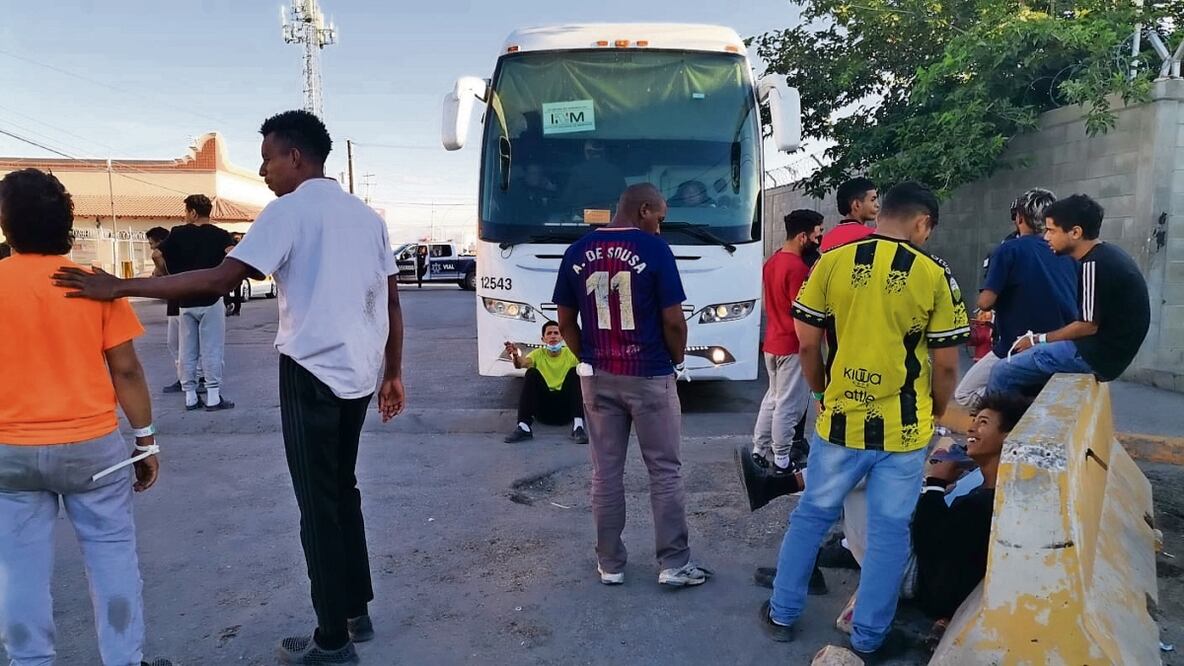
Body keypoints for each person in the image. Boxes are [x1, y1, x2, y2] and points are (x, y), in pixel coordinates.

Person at [53, 109, 406, 665]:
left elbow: (221, 279)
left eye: (268, 159)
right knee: (343, 490)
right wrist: (392, 372)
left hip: (312, 373)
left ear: (295, 157)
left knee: (318, 505)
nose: (263, 171)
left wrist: (121, 286)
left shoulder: (288, 211)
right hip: (359, 374)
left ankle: (331, 640)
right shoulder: (366, 218)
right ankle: (354, 614)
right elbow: (390, 302)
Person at [760, 182, 968, 661]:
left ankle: (782, 615)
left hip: (840, 424)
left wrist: (820, 393)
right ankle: (870, 637)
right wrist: (936, 410)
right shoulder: (934, 274)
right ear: (922, 222)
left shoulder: (830, 263)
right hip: (904, 432)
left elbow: (807, 344)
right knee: (890, 530)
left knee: (812, 515)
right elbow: (946, 364)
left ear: (883, 213)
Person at [0, 168, 171, 666]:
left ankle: (29, 661)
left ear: (7, 224)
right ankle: (123, 659)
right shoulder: (92, 284)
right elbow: (126, 370)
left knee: (18, 568)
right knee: (112, 556)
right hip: (93, 451)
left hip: (10, 452)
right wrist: (146, 440)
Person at [553, 183, 712, 588]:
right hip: (649, 373)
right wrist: (676, 360)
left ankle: (610, 564)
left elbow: (565, 321)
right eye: (659, 217)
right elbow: (674, 321)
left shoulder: (576, 251)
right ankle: (673, 563)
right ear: (644, 210)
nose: (660, 227)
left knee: (605, 472)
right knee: (665, 471)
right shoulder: (655, 250)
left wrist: (590, 356)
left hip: (598, 376)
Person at [987, 194, 1151, 397]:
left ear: (1075, 232)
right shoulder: (1108, 254)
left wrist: (1037, 340)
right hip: (1109, 356)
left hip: (1093, 356)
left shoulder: (1092, 264)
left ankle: (996, 418)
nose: (1046, 237)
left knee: (1002, 372)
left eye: (1051, 230)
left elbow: (1087, 325)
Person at [953, 189, 1077, 408]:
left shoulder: (1008, 249)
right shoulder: (1070, 254)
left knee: (965, 394)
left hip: (1016, 347)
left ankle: (1018, 405)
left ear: (1020, 217)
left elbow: (985, 303)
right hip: (1060, 348)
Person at [751, 210, 823, 475]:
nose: (819, 239)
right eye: (817, 234)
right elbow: (801, 313)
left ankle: (759, 450)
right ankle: (782, 459)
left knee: (773, 399)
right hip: (792, 346)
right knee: (788, 405)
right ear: (803, 236)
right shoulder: (798, 269)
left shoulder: (771, 262)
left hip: (772, 342)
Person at [158, 194, 235, 411]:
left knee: (186, 350)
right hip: (211, 297)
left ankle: (190, 397)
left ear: (192, 212)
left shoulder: (177, 233)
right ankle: (213, 397)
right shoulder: (221, 235)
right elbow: (233, 254)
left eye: (186, 211)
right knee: (212, 348)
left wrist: (170, 275)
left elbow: (156, 254)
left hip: (185, 299)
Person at [503, 320, 588, 444]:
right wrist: (516, 356)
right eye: (549, 333)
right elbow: (520, 364)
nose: (553, 336)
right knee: (531, 373)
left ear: (562, 337)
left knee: (575, 372)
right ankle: (523, 427)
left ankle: (578, 427)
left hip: (566, 409)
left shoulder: (570, 354)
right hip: (543, 409)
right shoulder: (537, 354)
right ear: (543, 339)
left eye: (556, 333)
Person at [146, 226, 189, 394]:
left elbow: (158, 275)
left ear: (161, 242)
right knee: (179, 345)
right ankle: (186, 378)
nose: (151, 247)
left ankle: (186, 379)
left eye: (152, 243)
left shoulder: (168, 257)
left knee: (178, 345)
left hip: (178, 306)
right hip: (175, 305)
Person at [561, 139, 628, 214]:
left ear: (587, 153)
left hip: (582, 216)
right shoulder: (615, 170)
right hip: (611, 216)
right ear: (603, 153)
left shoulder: (578, 171)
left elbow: (567, 198)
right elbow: (625, 197)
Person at [819, 177, 878, 252]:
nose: (877, 205)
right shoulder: (872, 236)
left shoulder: (826, 239)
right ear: (857, 204)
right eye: (872, 200)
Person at [225, 232, 245, 316]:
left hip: (233, 273)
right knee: (235, 291)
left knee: (228, 290)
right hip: (235, 273)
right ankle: (235, 308)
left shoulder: (231, 249)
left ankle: (231, 305)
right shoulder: (239, 249)